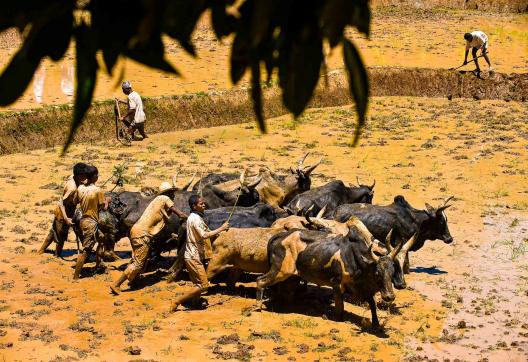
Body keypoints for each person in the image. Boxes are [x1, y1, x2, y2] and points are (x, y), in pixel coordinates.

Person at [110, 181, 187, 295]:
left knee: (140, 258)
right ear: (169, 192)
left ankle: (134, 281)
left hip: (137, 231)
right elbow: (179, 214)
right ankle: (116, 284)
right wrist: (190, 217)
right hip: (143, 234)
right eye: (173, 192)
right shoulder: (165, 199)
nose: (175, 195)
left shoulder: (157, 200)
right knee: (138, 263)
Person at [169, 195, 229, 312]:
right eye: (201, 204)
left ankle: (195, 302)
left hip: (193, 255)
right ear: (194, 206)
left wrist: (215, 233)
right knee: (204, 285)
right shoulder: (195, 219)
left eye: (203, 203)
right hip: (193, 256)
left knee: (197, 283)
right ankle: (177, 301)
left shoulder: (195, 217)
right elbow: (204, 235)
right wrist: (221, 228)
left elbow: (205, 232)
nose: (204, 205)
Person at [38, 162, 89, 257]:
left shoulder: (73, 177)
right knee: (61, 236)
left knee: (53, 232)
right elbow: (61, 203)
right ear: (79, 176)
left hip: (69, 210)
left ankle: (40, 251)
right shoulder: (72, 188)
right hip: (63, 212)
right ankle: (57, 255)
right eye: (84, 175)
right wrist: (66, 218)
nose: (86, 177)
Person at [73, 166, 109, 279]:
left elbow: (75, 201)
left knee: (102, 239)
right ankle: (75, 276)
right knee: (86, 250)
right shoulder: (98, 190)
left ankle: (99, 265)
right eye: (97, 175)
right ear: (93, 177)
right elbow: (104, 208)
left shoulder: (80, 188)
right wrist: (107, 201)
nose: (98, 177)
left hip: (83, 220)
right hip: (91, 222)